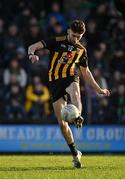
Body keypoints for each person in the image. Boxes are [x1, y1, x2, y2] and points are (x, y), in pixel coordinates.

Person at [28, 20, 110, 168]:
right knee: (62, 124)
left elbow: (86, 72)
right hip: (54, 82)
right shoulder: (56, 41)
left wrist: (99, 90)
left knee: (76, 92)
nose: (76, 39)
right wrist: (32, 55)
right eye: (74, 35)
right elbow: (32, 46)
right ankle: (75, 153)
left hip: (70, 76)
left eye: (79, 36)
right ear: (68, 31)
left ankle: (78, 115)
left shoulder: (81, 50)